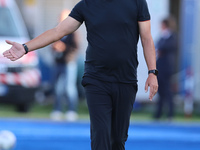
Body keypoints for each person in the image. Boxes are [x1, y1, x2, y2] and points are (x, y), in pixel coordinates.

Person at [3, 0, 158, 149]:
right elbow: (58, 31)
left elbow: (146, 38)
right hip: (96, 80)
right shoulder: (87, 4)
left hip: (125, 80)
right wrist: (25, 47)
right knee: (101, 136)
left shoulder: (137, 2)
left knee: (118, 140)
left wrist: (152, 72)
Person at [50, 10, 79, 121]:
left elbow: (76, 48)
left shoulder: (73, 31)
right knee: (57, 87)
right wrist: (55, 47)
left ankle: (72, 110)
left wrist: (64, 48)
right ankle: (57, 110)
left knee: (69, 87)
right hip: (58, 62)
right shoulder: (55, 30)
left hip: (69, 63)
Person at [154, 17, 177, 120]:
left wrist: (161, 49)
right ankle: (158, 114)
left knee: (167, 91)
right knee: (160, 92)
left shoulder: (172, 37)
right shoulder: (162, 37)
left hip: (167, 68)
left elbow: (165, 47)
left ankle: (170, 114)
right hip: (159, 67)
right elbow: (157, 46)